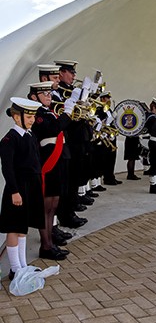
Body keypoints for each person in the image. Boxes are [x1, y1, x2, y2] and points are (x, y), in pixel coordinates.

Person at [29, 81, 77, 260]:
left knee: (53, 206)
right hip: (48, 162)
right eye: (44, 94)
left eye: (49, 93)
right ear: (34, 97)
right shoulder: (38, 114)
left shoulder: (49, 112)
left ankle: (50, 242)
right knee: (46, 206)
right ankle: (46, 245)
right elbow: (53, 128)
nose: (49, 96)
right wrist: (67, 112)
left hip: (56, 162)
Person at [0, 97, 45, 280]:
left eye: (34, 116)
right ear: (17, 117)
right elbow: (7, 168)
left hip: (30, 187)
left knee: (23, 227)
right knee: (13, 227)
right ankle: (15, 268)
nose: (32, 120)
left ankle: (23, 265)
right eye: (29, 116)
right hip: (17, 188)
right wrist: (14, 191)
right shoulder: (9, 139)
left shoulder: (30, 135)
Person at [53, 60, 88, 228]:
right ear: (61, 73)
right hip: (66, 141)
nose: (74, 76)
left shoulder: (66, 93)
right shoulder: (58, 94)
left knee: (72, 180)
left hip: (72, 141)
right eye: (71, 72)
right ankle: (65, 215)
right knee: (65, 183)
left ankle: (69, 211)